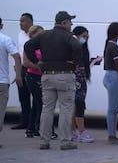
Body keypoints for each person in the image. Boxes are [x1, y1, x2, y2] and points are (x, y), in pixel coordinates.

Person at [24, 11, 82, 150]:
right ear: (63, 23)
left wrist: (38, 62)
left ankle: (44, 141)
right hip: (65, 74)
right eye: (69, 22)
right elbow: (78, 47)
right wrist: (74, 62)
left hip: (47, 75)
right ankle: (65, 141)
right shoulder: (68, 36)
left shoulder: (44, 35)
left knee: (47, 109)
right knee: (65, 109)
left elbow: (28, 46)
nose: (71, 24)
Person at [23, 25, 58, 139]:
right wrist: (40, 67)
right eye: (39, 34)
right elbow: (26, 63)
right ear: (32, 35)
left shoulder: (44, 45)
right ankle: (46, 129)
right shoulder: (30, 46)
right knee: (42, 102)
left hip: (43, 77)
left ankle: (31, 128)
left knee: (37, 103)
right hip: (33, 76)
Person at [71, 26, 98, 143]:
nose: (85, 39)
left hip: (81, 79)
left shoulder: (83, 48)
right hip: (76, 79)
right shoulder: (73, 47)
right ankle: (81, 132)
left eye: (87, 37)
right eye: (83, 36)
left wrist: (94, 62)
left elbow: (85, 65)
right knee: (79, 103)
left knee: (76, 105)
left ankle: (72, 130)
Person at [0, 17, 22, 147]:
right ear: (1, 25)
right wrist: (18, 75)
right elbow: (17, 56)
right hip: (2, 81)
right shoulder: (5, 39)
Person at [11, 13, 33, 130]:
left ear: (30, 22)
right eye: (20, 21)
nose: (20, 23)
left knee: (35, 95)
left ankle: (34, 122)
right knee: (23, 96)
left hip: (32, 68)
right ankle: (24, 121)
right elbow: (18, 52)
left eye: (23, 21)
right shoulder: (20, 35)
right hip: (22, 68)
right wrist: (16, 68)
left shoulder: (35, 34)